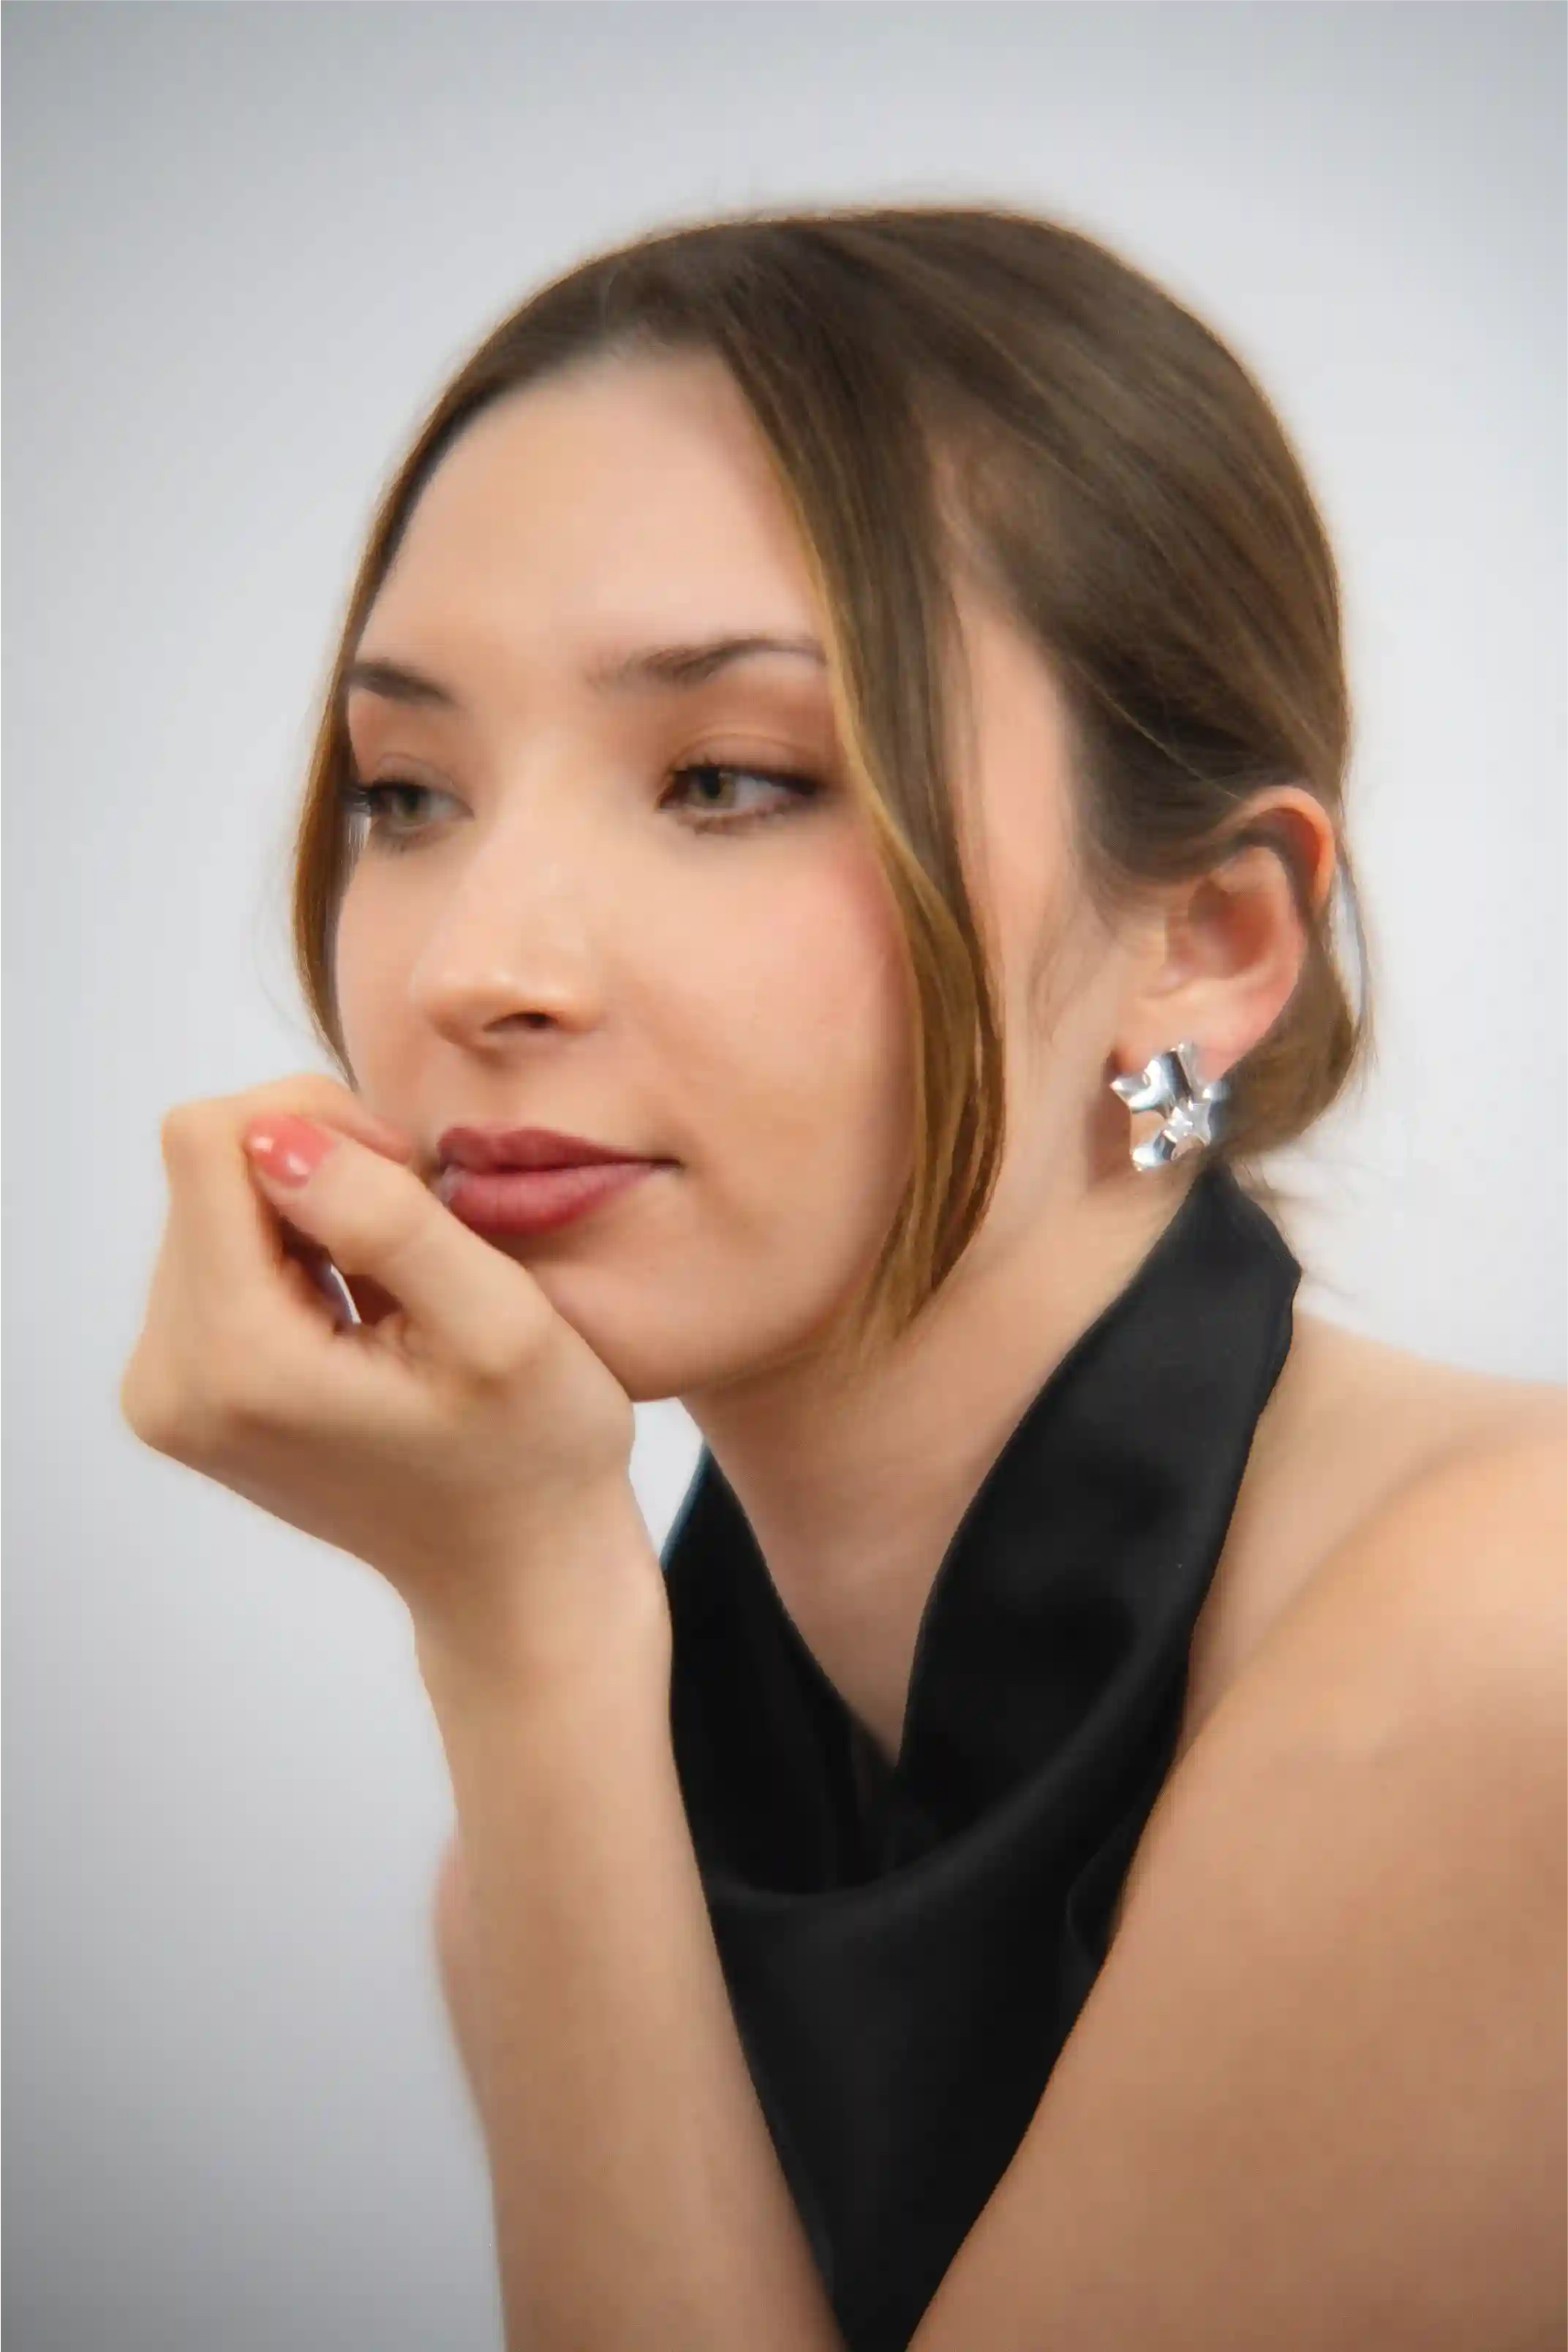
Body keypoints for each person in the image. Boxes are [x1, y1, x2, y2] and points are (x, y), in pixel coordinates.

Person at [121, 204, 1567, 2351]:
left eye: (728, 779)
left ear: (1209, 941)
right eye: (408, 793)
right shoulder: (553, 1868)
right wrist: (532, 1646)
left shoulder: (1510, 1652)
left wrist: (527, 1627)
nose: (475, 968)